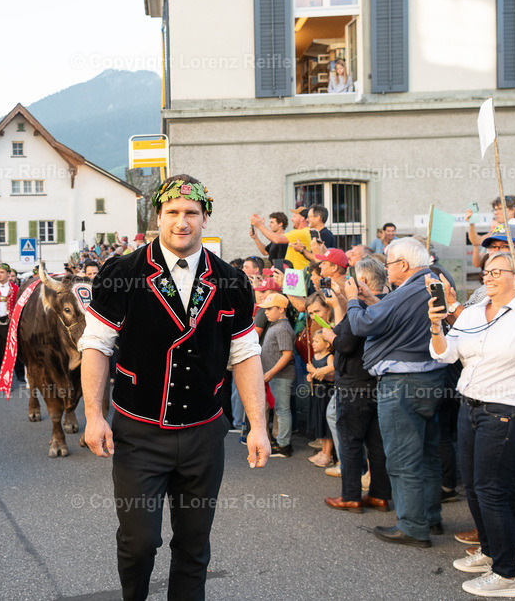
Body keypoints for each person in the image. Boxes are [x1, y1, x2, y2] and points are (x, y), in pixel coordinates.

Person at [79, 174, 269, 601]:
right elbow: (95, 345)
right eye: (172, 213)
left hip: (205, 433)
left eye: (191, 214)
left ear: (205, 218)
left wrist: (257, 425)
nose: (181, 222)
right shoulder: (123, 272)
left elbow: (245, 354)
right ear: (157, 218)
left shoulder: (231, 281)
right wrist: (93, 415)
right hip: (140, 433)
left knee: (194, 545)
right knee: (139, 542)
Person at [430, 253, 515, 598]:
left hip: (507, 411)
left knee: (492, 490)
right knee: (473, 486)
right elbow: (445, 354)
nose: (487, 277)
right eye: (486, 271)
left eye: (496, 272)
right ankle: (490, 552)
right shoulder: (473, 311)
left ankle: (506, 575)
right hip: (470, 407)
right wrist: (435, 326)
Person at [346, 237, 448, 548]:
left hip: (402, 384)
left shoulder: (412, 287)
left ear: (404, 265)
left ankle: (412, 526)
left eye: (389, 263)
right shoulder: (428, 283)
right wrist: (373, 300)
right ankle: (429, 516)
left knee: (403, 459)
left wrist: (353, 299)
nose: (386, 270)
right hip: (428, 380)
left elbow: (362, 325)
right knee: (428, 455)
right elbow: (396, 316)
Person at [323, 256, 391, 514]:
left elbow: (347, 343)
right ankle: (380, 495)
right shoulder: (387, 302)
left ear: (362, 281)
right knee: (377, 443)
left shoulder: (360, 305)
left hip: (353, 385)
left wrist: (332, 337)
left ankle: (351, 496)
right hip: (378, 383)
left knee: (350, 441)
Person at [257, 292, 296, 458]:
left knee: (282, 410)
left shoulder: (282, 328)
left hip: (280, 376)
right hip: (275, 376)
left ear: (281, 309)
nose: (265, 312)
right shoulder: (276, 325)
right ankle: (281, 441)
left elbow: (287, 354)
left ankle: (284, 444)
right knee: (280, 409)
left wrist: (271, 372)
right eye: (265, 309)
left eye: (269, 309)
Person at [305, 323, 335, 468]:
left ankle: (328, 454)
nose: (313, 344)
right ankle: (323, 451)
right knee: (320, 421)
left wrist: (315, 370)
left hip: (327, 393)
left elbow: (332, 376)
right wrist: (310, 376)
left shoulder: (330, 358)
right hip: (317, 393)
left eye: (316, 341)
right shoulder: (315, 356)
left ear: (327, 344)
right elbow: (313, 375)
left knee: (326, 423)